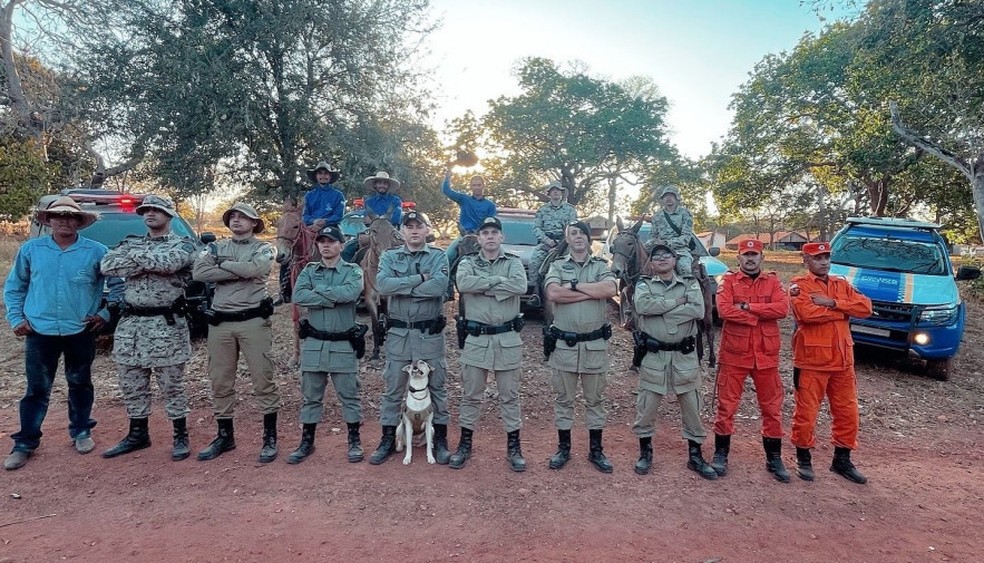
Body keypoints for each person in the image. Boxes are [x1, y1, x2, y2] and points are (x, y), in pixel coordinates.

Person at [3, 197, 108, 470]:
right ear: (47, 220)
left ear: (79, 222)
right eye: (57, 216)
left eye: (70, 216)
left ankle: (81, 431)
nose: (64, 220)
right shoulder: (31, 250)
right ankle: (25, 443)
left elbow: (118, 287)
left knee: (80, 383)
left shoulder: (97, 252)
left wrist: (105, 314)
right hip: (39, 330)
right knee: (37, 389)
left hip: (80, 329)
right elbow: (15, 288)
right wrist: (16, 318)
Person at [100, 195, 199, 462]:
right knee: (132, 383)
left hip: (166, 324)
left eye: (157, 210)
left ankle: (180, 435)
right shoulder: (131, 241)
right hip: (131, 325)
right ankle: (138, 434)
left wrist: (134, 259)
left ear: (170, 216)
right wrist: (149, 257)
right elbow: (108, 265)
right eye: (146, 210)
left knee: (171, 384)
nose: (150, 214)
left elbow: (170, 263)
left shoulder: (184, 244)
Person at [192, 202, 280, 463]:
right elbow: (199, 272)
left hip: (253, 320)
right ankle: (224, 436)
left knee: (263, 378)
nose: (237, 220)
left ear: (255, 223)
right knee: (220, 380)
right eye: (233, 217)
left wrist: (223, 265)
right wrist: (238, 267)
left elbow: (256, 269)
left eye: (244, 217)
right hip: (220, 323)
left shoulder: (264, 248)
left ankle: (269, 438)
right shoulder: (215, 247)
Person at [368, 211, 452, 465]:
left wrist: (403, 286)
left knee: (437, 387)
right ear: (401, 232)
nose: (414, 231)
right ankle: (387, 439)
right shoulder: (390, 256)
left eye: (419, 227)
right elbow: (382, 286)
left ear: (427, 230)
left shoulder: (439, 256)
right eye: (409, 227)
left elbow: (439, 287)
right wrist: (420, 279)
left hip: (429, 334)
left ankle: (440, 440)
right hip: (399, 334)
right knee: (393, 387)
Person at [630, 243, 717, 479]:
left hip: (684, 356)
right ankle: (645, 453)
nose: (661, 259)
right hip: (654, 356)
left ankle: (695, 455)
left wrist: (662, 313)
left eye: (666, 255)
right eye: (656, 256)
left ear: (675, 258)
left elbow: (698, 310)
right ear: (651, 262)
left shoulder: (690, 283)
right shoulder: (644, 284)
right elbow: (642, 306)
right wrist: (678, 303)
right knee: (647, 406)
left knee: (692, 407)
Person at [790, 241, 873, 484]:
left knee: (848, 413)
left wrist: (833, 303)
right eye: (817, 258)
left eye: (826, 257)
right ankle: (803, 458)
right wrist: (846, 312)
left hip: (843, 362)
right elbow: (807, 314)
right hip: (812, 362)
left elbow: (866, 307)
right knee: (806, 414)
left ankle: (842, 460)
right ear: (806, 261)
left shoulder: (841, 284)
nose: (824, 261)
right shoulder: (799, 285)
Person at [449, 216, 528, 472]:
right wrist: (498, 283)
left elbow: (520, 285)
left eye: (495, 232)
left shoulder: (514, 263)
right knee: (471, 395)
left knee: (510, 396)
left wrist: (484, 285)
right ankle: (465, 444)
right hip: (476, 339)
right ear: (479, 238)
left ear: (501, 237)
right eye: (486, 233)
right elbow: (464, 284)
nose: (490, 236)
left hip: (507, 338)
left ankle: (514, 447)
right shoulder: (467, 263)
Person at [710, 239, 790, 481]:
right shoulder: (729, 281)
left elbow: (782, 309)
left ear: (762, 257)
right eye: (746, 255)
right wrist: (758, 315)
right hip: (735, 354)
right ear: (739, 258)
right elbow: (724, 311)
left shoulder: (773, 281)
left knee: (772, 408)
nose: (750, 258)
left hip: (766, 356)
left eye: (754, 254)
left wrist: (746, 306)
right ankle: (721, 454)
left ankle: (774, 458)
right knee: (726, 406)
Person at [287, 225, 366, 464]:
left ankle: (354, 441)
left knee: (349, 396)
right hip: (314, 343)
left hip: (343, 343)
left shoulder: (353, 271)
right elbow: (299, 296)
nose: (326, 245)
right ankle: (306, 442)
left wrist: (319, 292)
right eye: (322, 241)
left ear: (341, 245)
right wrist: (333, 295)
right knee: (311, 396)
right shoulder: (309, 270)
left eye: (331, 241)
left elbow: (351, 294)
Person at [543, 221, 617, 473]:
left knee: (595, 400)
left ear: (588, 238)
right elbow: (553, 293)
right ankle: (563, 448)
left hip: (594, 345)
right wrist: (590, 292)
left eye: (581, 233)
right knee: (564, 400)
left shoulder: (600, 266)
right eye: (572, 234)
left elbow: (609, 288)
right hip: (564, 345)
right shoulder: (557, 265)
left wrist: (573, 287)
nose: (577, 237)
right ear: (568, 239)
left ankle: (596, 450)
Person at [528, 181, 577, 308]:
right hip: (546, 242)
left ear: (561, 192)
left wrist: (562, 243)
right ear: (549, 193)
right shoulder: (542, 210)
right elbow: (536, 228)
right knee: (534, 262)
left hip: (565, 243)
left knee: (578, 261)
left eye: (558, 190)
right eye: (553, 190)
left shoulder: (570, 209)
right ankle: (535, 293)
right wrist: (547, 241)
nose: (555, 192)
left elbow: (573, 226)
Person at [441, 165, 497, 273]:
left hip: (482, 237)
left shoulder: (490, 205)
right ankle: (448, 285)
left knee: (497, 259)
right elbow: (446, 191)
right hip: (464, 236)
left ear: (483, 186)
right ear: (471, 186)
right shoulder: (464, 199)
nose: (476, 187)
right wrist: (448, 175)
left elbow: (491, 223)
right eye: (474, 185)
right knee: (447, 257)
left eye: (479, 185)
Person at [341, 170, 403, 263]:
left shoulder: (396, 200)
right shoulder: (368, 201)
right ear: (375, 185)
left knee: (409, 249)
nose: (382, 185)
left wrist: (377, 219)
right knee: (346, 250)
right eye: (380, 183)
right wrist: (382, 219)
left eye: (385, 183)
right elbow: (366, 219)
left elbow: (396, 218)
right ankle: (351, 273)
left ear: (388, 186)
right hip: (371, 233)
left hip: (391, 232)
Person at [649, 184, 695, 278]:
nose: (668, 198)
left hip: (680, 251)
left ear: (677, 198)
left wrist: (666, 243)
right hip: (660, 250)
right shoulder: (657, 216)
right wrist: (647, 245)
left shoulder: (685, 214)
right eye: (666, 196)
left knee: (685, 269)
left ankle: (689, 291)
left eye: (671, 195)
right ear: (662, 199)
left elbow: (685, 238)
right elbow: (652, 236)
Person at [302, 160, 345, 229]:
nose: (323, 176)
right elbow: (305, 215)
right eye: (320, 173)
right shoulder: (309, 196)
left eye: (326, 173)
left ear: (330, 176)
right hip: (311, 226)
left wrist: (325, 221)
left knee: (336, 238)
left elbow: (338, 215)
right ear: (316, 176)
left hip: (331, 227)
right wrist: (314, 221)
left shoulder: (338, 195)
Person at [275, 195, 299, 306]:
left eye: (287, 204)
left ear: (294, 206)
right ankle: (284, 293)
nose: (284, 207)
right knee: (285, 264)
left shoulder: (297, 216)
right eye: (284, 205)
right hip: (288, 243)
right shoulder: (284, 218)